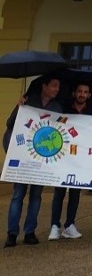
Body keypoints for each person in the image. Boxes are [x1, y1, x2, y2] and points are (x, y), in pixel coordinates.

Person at [5, 74, 63, 247]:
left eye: (58, 86)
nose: (56, 89)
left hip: (42, 158)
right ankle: (12, 233)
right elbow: (10, 123)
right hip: (23, 157)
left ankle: (30, 232)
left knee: (36, 196)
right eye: (54, 85)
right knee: (18, 196)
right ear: (44, 86)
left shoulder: (57, 107)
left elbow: (61, 128)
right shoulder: (28, 102)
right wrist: (19, 106)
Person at [49, 79, 92, 240]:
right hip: (62, 156)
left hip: (79, 158)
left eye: (85, 92)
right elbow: (54, 128)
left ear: (89, 95)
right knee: (59, 193)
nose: (82, 94)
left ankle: (69, 225)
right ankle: (55, 225)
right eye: (80, 91)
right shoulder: (63, 109)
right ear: (75, 93)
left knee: (75, 193)